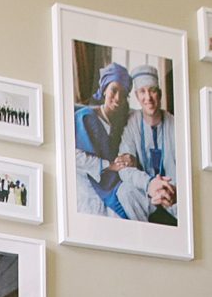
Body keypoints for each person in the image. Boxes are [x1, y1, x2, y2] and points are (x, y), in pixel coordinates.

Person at [113, 64, 178, 226]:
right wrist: (149, 184)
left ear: (160, 94)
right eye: (142, 92)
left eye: (152, 90)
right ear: (136, 95)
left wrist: (170, 190)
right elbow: (124, 168)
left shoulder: (176, 124)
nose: (148, 97)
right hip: (147, 196)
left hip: (173, 197)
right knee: (125, 191)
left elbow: (185, 168)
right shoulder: (131, 124)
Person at [73, 62, 134, 217]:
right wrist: (110, 166)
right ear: (104, 89)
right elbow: (75, 157)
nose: (117, 98)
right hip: (87, 180)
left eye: (123, 93)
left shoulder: (123, 122)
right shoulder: (85, 117)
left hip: (114, 182)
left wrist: (129, 159)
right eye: (114, 90)